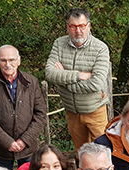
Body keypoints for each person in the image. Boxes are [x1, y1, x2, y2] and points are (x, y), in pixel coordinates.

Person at [45, 7, 110, 151]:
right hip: (71, 111)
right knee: (81, 153)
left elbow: (96, 84)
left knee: (102, 152)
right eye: (73, 26)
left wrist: (65, 82)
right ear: (67, 27)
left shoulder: (100, 48)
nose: (78, 30)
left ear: (89, 26)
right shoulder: (59, 44)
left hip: (95, 111)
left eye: (81, 26)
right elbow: (49, 73)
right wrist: (78, 75)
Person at [0, 45, 47, 170]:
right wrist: (7, 142)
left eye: (12, 60)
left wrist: (25, 140)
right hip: (1, 148)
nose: (8, 64)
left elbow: (40, 113)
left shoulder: (31, 81)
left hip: (28, 147)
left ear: (19, 61)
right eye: (3, 60)